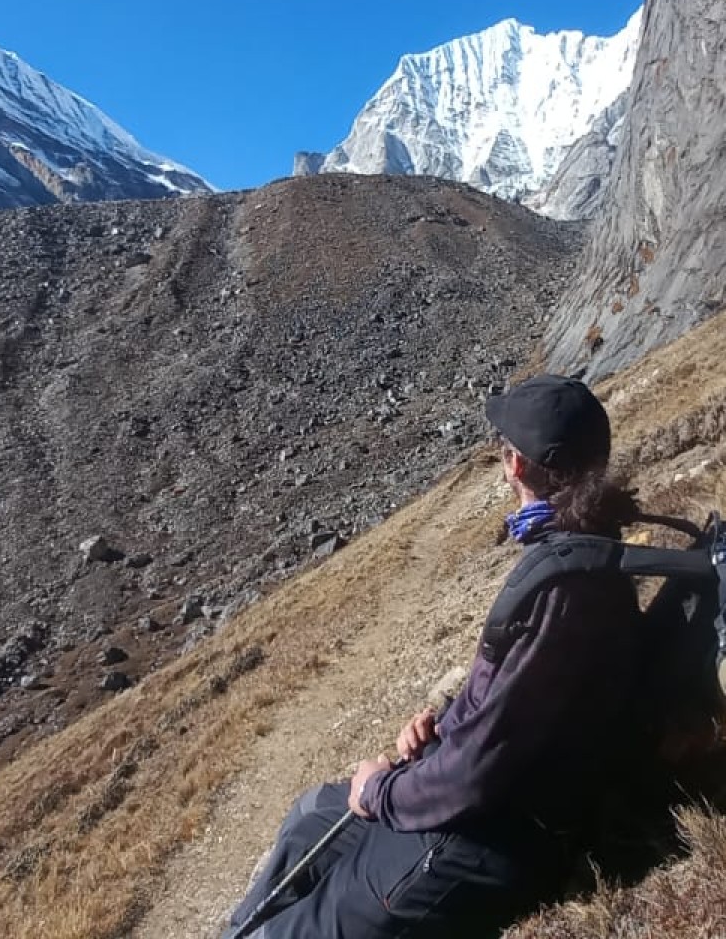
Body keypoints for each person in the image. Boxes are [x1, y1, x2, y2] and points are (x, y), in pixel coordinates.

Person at [222, 374, 647, 938]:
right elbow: (510, 705)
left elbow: (478, 771)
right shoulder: (580, 551)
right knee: (309, 819)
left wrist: (380, 791)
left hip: (483, 839)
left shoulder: (562, 589)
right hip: (480, 804)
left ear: (514, 465)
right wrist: (443, 724)